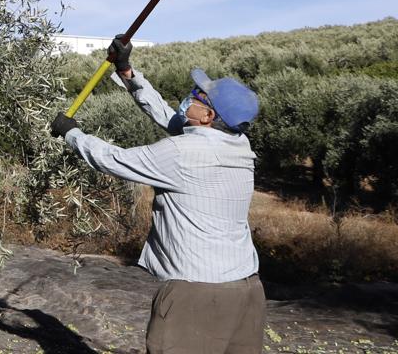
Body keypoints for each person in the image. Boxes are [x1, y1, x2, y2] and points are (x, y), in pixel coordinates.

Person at [50, 35, 264, 354]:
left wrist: (72, 134)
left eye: (197, 95)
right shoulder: (238, 145)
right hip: (247, 289)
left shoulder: (180, 153)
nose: (188, 96)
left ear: (208, 117)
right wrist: (127, 73)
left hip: (197, 294)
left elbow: (113, 160)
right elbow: (170, 117)